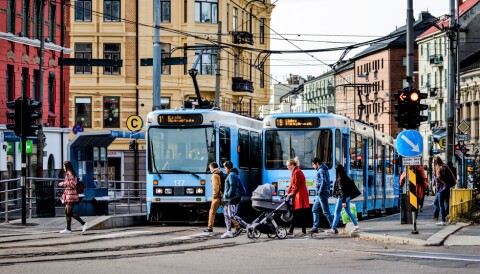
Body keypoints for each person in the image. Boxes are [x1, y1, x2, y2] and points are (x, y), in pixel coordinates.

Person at [327, 164, 360, 235]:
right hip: (347, 197)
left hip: (342, 198)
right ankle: (356, 225)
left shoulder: (340, 179)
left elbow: (341, 191)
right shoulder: (346, 177)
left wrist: (343, 201)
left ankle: (333, 229)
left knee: (336, 212)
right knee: (348, 212)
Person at [220, 161, 248, 238]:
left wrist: (227, 194)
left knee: (231, 215)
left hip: (232, 198)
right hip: (228, 198)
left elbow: (232, 186)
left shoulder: (232, 174)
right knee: (226, 215)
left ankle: (247, 226)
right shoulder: (230, 174)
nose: (224, 169)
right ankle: (228, 231)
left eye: (225, 167)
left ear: (228, 167)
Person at [58, 161, 87, 234]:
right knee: (67, 212)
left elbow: (73, 184)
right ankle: (68, 228)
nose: (63, 167)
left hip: (71, 195)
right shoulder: (69, 173)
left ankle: (83, 223)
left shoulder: (70, 174)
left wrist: (63, 184)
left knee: (69, 212)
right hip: (69, 194)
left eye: (64, 166)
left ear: (67, 166)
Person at [285, 158, 309, 236]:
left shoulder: (297, 172)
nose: (287, 167)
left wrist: (290, 194)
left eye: (288, 166)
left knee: (298, 213)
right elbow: (292, 184)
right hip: (298, 195)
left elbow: (296, 185)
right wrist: (287, 192)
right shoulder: (295, 172)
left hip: (300, 195)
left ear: (292, 165)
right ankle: (297, 230)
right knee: (298, 213)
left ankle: (297, 231)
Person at [308, 158, 333, 233]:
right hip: (321, 193)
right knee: (314, 209)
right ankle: (315, 227)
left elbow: (324, 181)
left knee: (326, 211)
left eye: (313, 164)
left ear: (317, 163)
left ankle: (333, 227)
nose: (313, 166)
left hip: (322, 194)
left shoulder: (321, 170)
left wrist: (320, 191)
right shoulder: (323, 169)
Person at [433, 157, 456, 225]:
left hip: (442, 188)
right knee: (437, 202)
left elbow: (440, 177)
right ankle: (445, 215)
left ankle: (443, 219)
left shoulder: (440, 168)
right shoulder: (445, 167)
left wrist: (437, 178)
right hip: (446, 188)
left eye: (433, 162)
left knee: (440, 204)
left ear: (436, 162)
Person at [202, 162, 224, 233]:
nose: (210, 169)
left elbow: (216, 188)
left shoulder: (214, 175)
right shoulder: (221, 173)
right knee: (227, 213)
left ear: (212, 168)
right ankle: (237, 226)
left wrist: (214, 196)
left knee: (212, 212)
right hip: (223, 196)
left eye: (210, 168)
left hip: (217, 197)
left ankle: (210, 228)